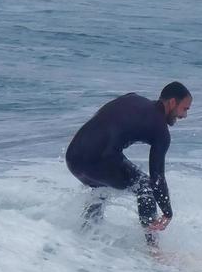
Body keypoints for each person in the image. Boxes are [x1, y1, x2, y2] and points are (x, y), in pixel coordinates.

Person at [66, 81, 191, 246]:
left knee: (101, 188)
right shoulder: (160, 130)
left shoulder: (133, 97)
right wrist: (167, 212)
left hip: (74, 157)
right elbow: (157, 177)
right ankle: (153, 250)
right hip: (96, 161)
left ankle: (85, 233)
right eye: (185, 109)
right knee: (145, 186)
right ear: (172, 102)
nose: (184, 116)